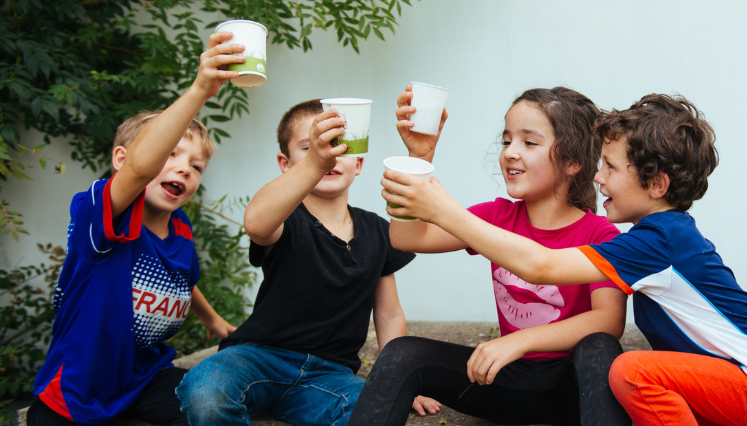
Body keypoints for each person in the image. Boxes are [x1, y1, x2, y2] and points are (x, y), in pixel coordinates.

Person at [378, 93, 747, 426]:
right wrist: (418, 164)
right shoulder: (651, 238)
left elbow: (542, 266)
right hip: (722, 381)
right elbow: (406, 236)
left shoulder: (656, 242)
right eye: (506, 139)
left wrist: (443, 207)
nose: (599, 178)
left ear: (656, 184)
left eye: (611, 168)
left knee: (632, 370)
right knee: (635, 372)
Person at [348, 87, 631, 426]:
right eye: (506, 140)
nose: (510, 152)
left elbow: (608, 321)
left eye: (529, 142)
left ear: (572, 162)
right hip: (505, 382)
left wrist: (521, 341)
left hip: (571, 389)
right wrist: (418, 156)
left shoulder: (600, 235)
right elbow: (407, 237)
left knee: (599, 348)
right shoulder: (495, 218)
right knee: (401, 353)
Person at [175, 99, 441, 426]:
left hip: (330, 375)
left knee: (381, 409)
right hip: (257, 357)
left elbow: (388, 313)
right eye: (313, 147)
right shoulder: (285, 218)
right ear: (286, 164)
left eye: (338, 146)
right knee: (205, 391)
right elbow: (257, 223)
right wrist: (314, 163)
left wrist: (397, 380)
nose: (328, 154)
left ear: (358, 163)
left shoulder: (377, 230)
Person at [26, 31, 243, 426]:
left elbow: (181, 280)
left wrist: (212, 319)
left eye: (195, 166)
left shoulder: (180, 230)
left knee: (215, 403)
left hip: (146, 377)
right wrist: (200, 89)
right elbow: (140, 169)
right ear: (122, 158)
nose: (183, 167)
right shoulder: (105, 215)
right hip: (77, 389)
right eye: (170, 152)